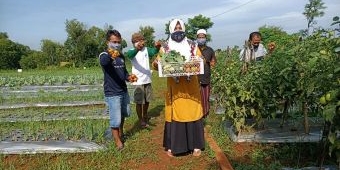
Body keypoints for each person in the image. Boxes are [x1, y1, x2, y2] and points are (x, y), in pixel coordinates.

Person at [152, 19, 205, 157]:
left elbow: (200, 60)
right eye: (175, 28)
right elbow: (157, 64)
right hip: (175, 88)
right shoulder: (165, 47)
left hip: (190, 87)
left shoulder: (192, 45)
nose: (178, 31)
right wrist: (157, 63)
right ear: (170, 30)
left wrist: (198, 62)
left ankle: (196, 145)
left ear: (184, 29)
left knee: (192, 112)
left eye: (180, 28)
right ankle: (174, 146)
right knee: (175, 113)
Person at [99, 29, 135, 150]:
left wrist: (129, 77)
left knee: (125, 113)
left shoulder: (121, 56)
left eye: (118, 42)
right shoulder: (104, 55)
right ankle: (118, 142)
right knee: (116, 119)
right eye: (114, 42)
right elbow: (104, 62)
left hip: (123, 90)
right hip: (112, 93)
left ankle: (121, 132)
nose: (117, 44)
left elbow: (123, 72)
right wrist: (111, 55)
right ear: (108, 42)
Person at [126, 33, 161, 128]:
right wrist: (137, 48)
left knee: (147, 100)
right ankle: (140, 119)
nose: (140, 42)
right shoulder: (131, 51)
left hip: (147, 79)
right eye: (137, 41)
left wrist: (157, 47)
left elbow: (153, 52)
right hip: (137, 80)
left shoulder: (146, 50)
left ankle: (145, 115)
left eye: (141, 40)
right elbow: (130, 56)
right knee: (139, 101)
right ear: (133, 42)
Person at [196, 29, 216, 118]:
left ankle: (205, 113)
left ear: (205, 38)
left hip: (205, 76)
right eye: (199, 37)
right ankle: (197, 113)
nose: (201, 39)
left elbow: (213, 62)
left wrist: (211, 62)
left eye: (202, 37)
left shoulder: (210, 50)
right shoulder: (193, 49)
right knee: (196, 96)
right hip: (195, 77)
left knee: (205, 96)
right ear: (196, 38)